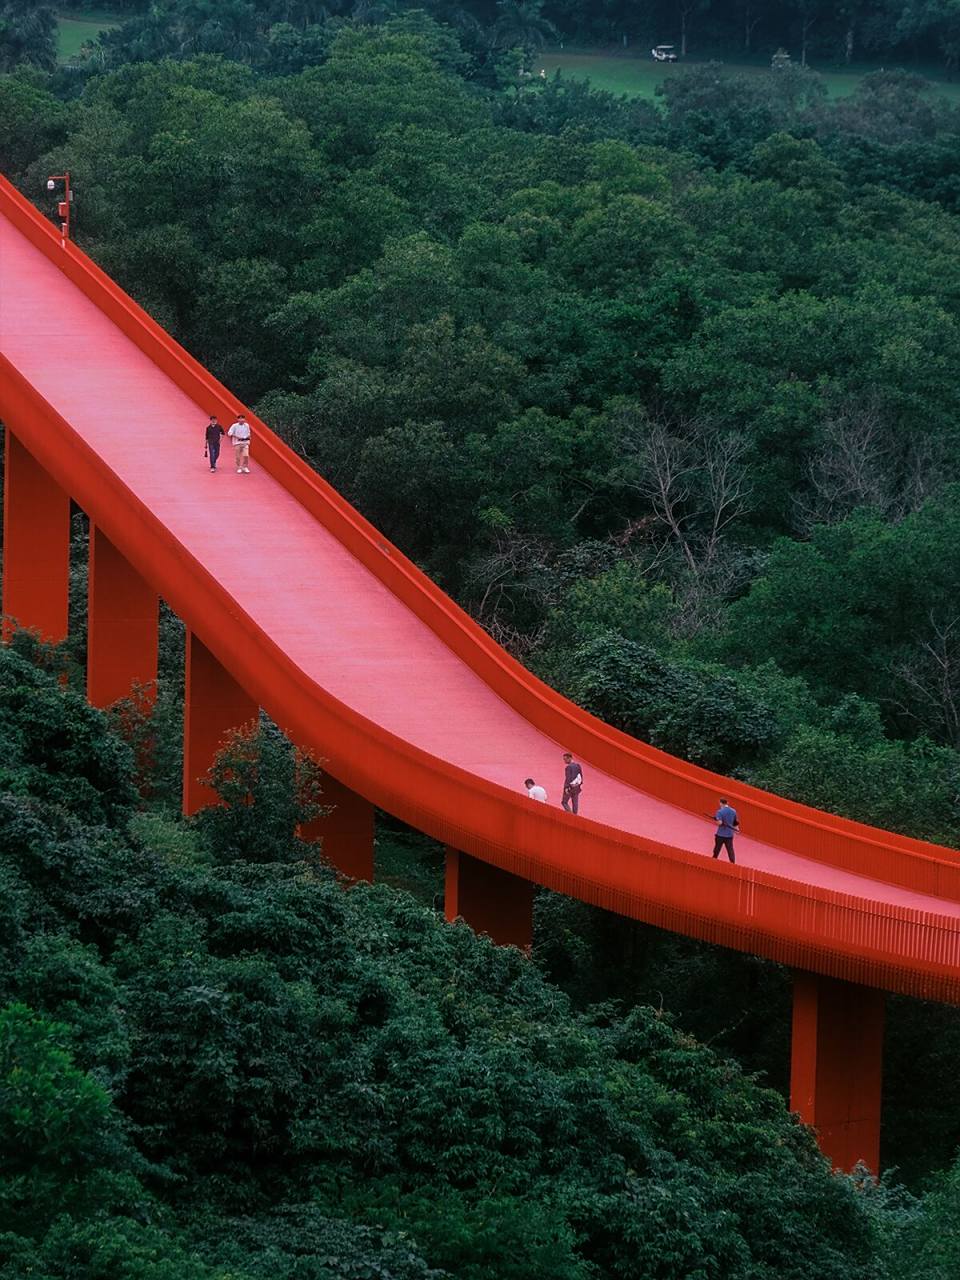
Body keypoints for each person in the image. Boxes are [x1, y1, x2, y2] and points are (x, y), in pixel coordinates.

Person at [712, 798, 739, 863]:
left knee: (717, 849)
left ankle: (714, 860)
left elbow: (720, 823)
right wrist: (736, 829)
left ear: (721, 803)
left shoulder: (720, 812)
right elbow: (735, 822)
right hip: (729, 834)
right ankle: (732, 862)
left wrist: (717, 819)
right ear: (727, 803)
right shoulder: (733, 811)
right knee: (730, 849)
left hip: (721, 834)